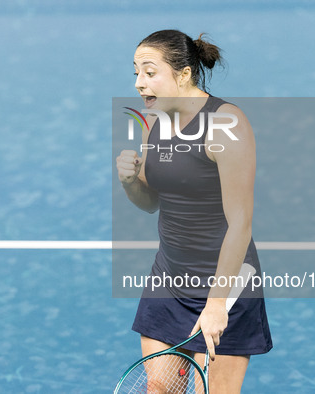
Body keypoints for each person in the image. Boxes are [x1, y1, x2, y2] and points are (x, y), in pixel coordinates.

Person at [116, 29, 273, 393]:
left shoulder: (225, 124)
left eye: (150, 72)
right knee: (159, 389)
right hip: (168, 280)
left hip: (226, 284)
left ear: (184, 73)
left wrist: (217, 305)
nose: (140, 83)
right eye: (136, 72)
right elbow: (150, 202)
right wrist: (129, 182)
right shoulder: (152, 120)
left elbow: (240, 223)